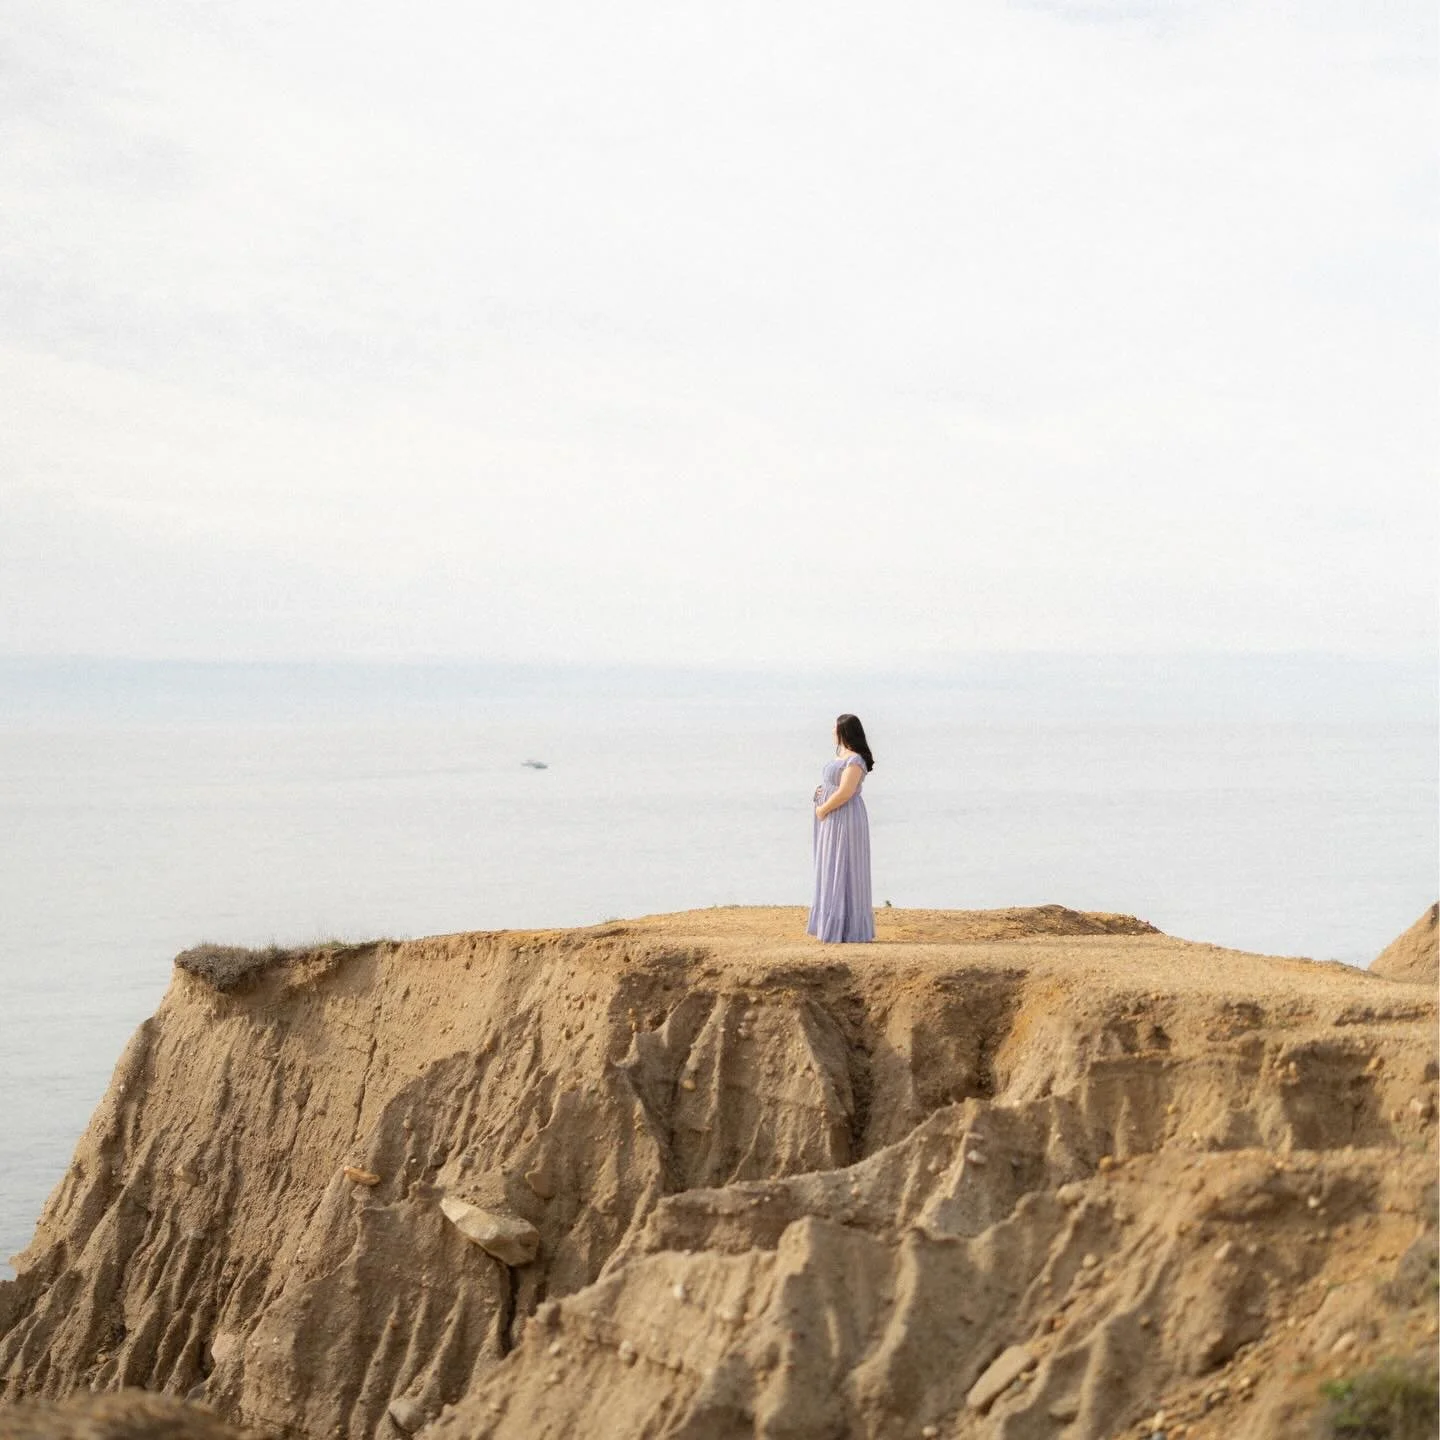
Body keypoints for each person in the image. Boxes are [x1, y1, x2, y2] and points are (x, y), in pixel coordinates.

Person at [807, 713, 875, 943]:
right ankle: (830, 924)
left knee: (844, 865)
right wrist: (820, 793)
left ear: (844, 731)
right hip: (832, 818)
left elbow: (846, 791)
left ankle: (847, 927)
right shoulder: (842, 756)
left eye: (836, 729)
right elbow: (833, 784)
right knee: (830, 865)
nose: (832, 732)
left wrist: (823, 809)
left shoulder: (855, 760)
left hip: (843, 817)